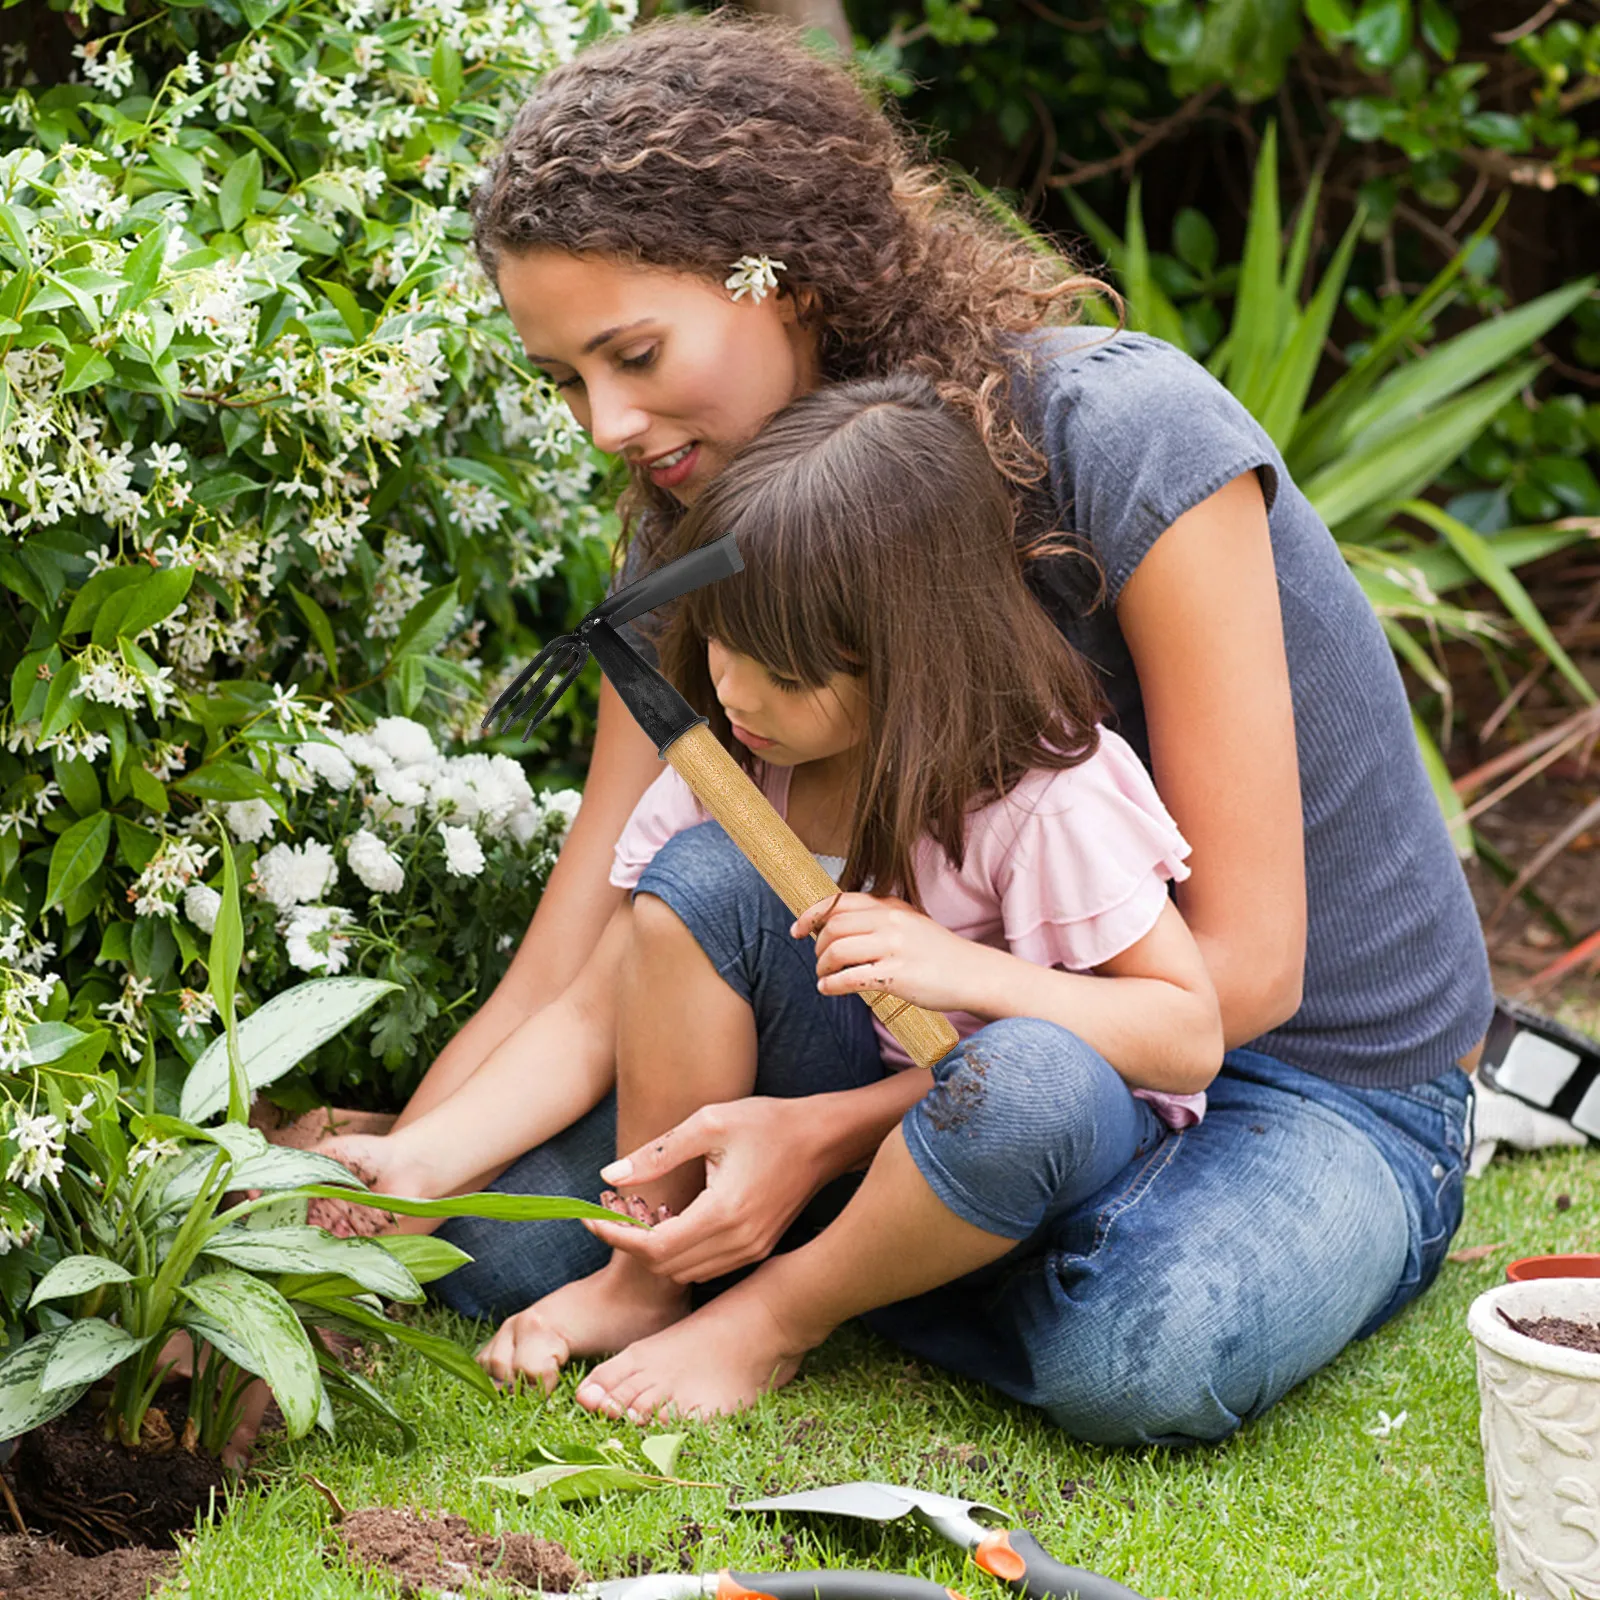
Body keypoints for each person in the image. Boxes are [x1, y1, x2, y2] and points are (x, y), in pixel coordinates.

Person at [316, 13, 1491, 1445]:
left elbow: (1234, 985)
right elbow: (583, 951)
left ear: (785, 275)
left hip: (1285, 1077)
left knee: (1147, 1353)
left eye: (632, 353)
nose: (603, 424)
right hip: (938, 1031)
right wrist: (373, 1221)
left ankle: (826, 1272)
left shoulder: (1122, 443)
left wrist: (815, 1136)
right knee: (502, 1255)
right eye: (565, 381)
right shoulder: (696, 538)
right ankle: (925, 1236)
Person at [330, 375, 1225, 1415]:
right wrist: (421, 1159)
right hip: (782, 1115)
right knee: (492, 1260)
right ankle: (649, 1276)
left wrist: (963, 971)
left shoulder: (1039, 797)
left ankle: (776, 1316)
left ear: (915, 653)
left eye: (788, 675)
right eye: (722, 647)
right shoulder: (737, 765)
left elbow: (1186, 1034)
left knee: (1022, 1085)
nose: (741, 696)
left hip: (988, 1157)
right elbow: (591, 1010)